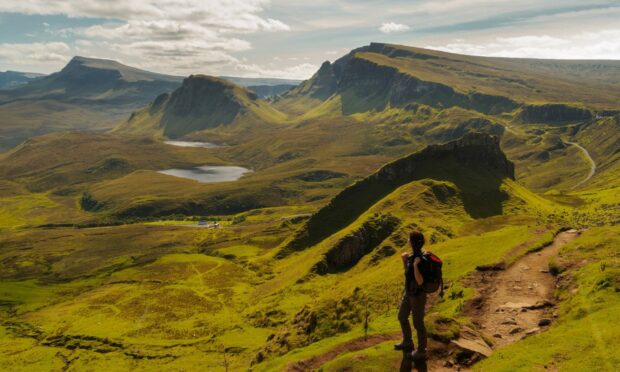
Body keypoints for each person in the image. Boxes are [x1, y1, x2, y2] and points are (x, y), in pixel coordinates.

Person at [394, 231, 427, 360]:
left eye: (409, 239)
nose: (407, 241)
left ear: (412, 242)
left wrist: (415, 265)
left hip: (418, 295)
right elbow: (408, 275)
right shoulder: (412, 256)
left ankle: (422, 350)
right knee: (402, 316)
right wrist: (405, 261)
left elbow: (419, 281)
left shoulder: (421, 259)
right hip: (408, 293)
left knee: (418, 323)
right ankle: (408, 341)